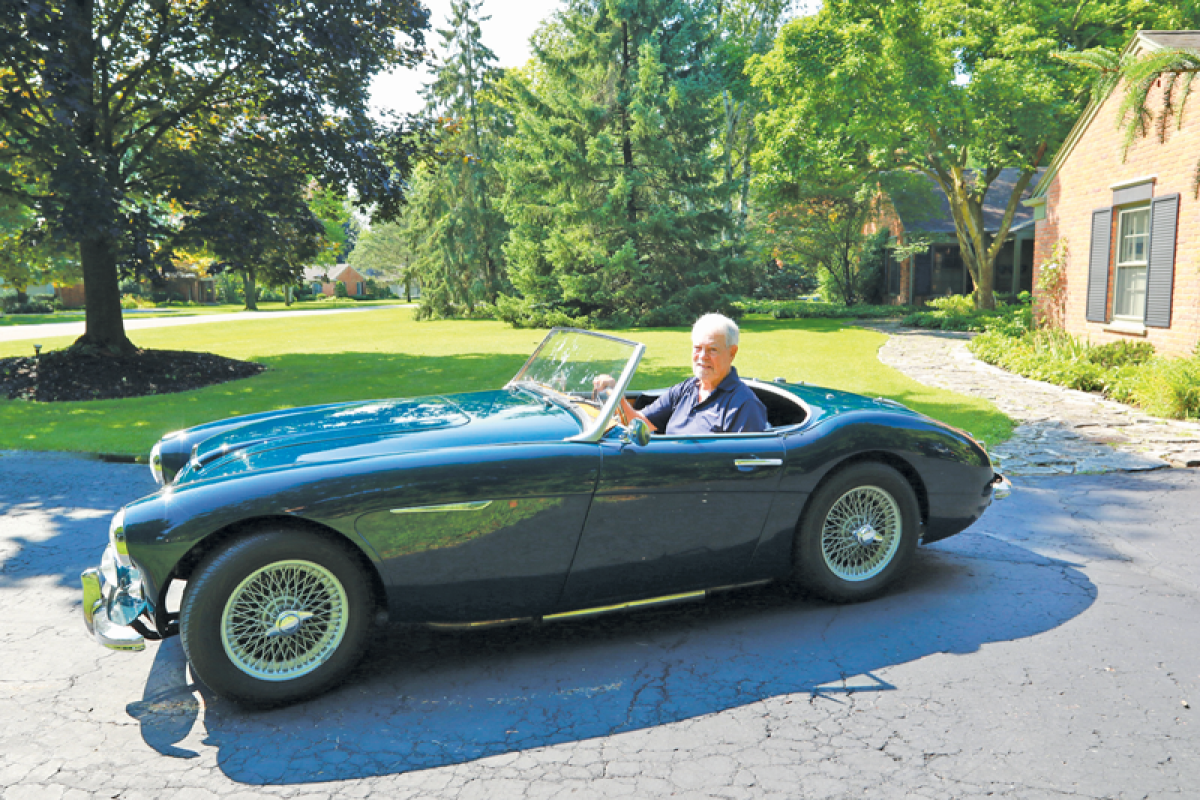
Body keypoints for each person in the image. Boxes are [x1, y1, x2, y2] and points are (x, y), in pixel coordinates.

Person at [596, 313, 768, 435]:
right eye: (697, 348)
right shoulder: (687, 388)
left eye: (712, 350)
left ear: (732, 353)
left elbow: (742, 469)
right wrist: (616, 392)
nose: (702, 357)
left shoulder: (744, 405)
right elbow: (640, 423)